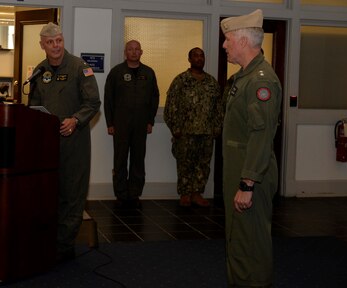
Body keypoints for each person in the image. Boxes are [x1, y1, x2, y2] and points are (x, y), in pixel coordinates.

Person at [29, 22, 101, 262]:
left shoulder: (80, 68)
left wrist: (75, 120)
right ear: (43, 45)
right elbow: (33, 108)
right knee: (50, 192)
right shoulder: (39, 72)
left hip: (75, 143)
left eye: (58, 40)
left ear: (63, 41)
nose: (55, 46)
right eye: (50, 42)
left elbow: (93, 103)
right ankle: (49, 240)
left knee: (72, 193)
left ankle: (64, 246)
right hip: (48, 145)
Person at [220, 9, 282, 287]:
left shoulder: (260, 80)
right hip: (240, 169)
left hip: (251, 174)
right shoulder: (243, 77)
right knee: (239, 238)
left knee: (251, 242)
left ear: (243, 41)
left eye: (228, 40)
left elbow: (261, 135)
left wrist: (247, 184)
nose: (224, 45)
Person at [164, 47, 223, 207]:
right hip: (185, 132)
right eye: (195, 56)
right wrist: (175, 127)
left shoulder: (212, 82)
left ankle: (197, 193)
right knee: (184, 163)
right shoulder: (181, 80)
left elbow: (218, 107)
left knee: (203, 164)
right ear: (189, 59)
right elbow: (171, 106)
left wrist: (217, 128)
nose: (199, 58)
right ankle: (184, 194)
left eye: (201, 56)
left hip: (206, 132)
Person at [104, 40, 159, 209]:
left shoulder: (148, 73)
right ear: (125, 52)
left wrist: (150, 121)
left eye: (137, 49)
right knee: (120, 159)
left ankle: (134, 194)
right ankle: (121, 194)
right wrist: (110, 123)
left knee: (138, 160)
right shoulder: (116, 72)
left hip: (141, 124)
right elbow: (108, 99)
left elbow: (154, 98)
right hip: (120, 124)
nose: (134, 52)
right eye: (130, 49)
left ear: (141, 52)